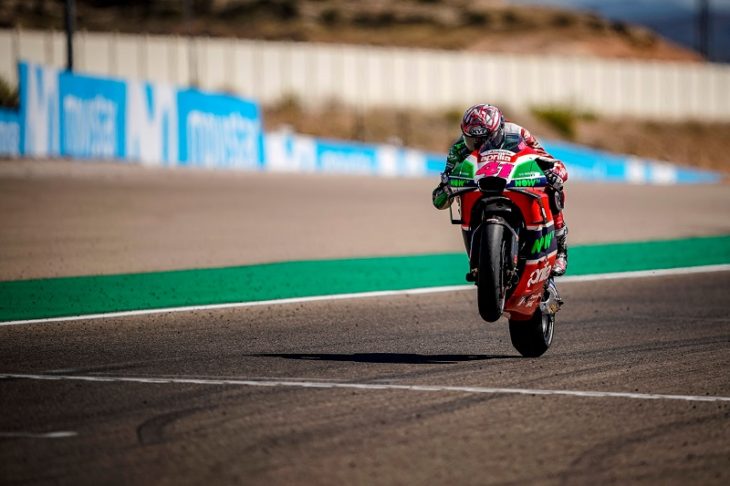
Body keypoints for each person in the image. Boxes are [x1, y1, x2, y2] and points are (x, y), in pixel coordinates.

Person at [432, 103, 569, 276]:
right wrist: (446, 189)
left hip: (511, 180)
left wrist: (555, 172)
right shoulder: (459, 147)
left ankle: (561, 249)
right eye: (472, 140)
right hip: (479, 187)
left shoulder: (517, 133)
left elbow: (543, 157)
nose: (477, 145)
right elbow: (441, 195)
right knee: (463, 196)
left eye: (484, 140)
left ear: (497, 131)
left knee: (553, 188)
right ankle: (476, 260)